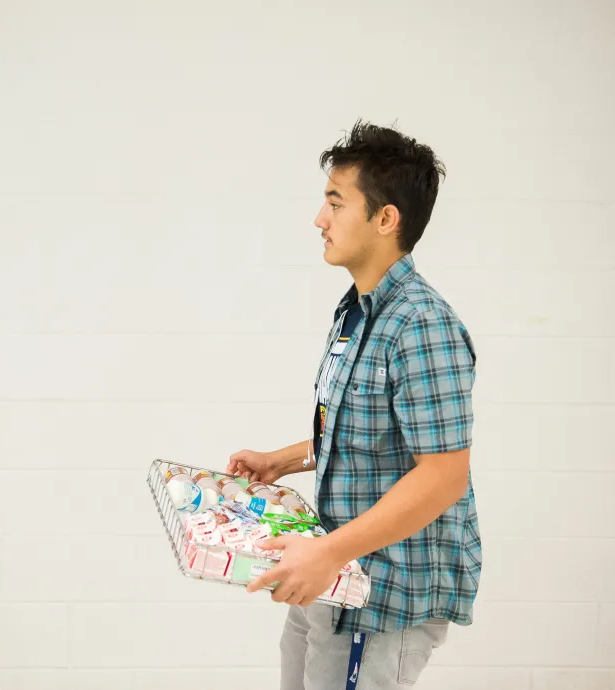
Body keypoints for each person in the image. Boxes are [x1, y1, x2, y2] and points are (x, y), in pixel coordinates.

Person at [227, 121, 481, 689]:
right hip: (331, 568)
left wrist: (328, 554)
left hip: (382, 594)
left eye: (336, 203)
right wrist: (283, 461)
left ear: (385, 219)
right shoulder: (357, 314)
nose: (320, 220)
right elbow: (358, 430)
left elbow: (443, 477)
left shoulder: (422, 325)